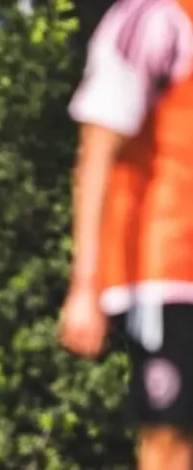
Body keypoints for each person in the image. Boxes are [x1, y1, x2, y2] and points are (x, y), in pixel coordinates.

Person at [59, 0, 193, 469]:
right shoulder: (154, 18)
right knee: (172, 436)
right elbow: (97, 151)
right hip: (167, 270)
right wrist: (85, 286)